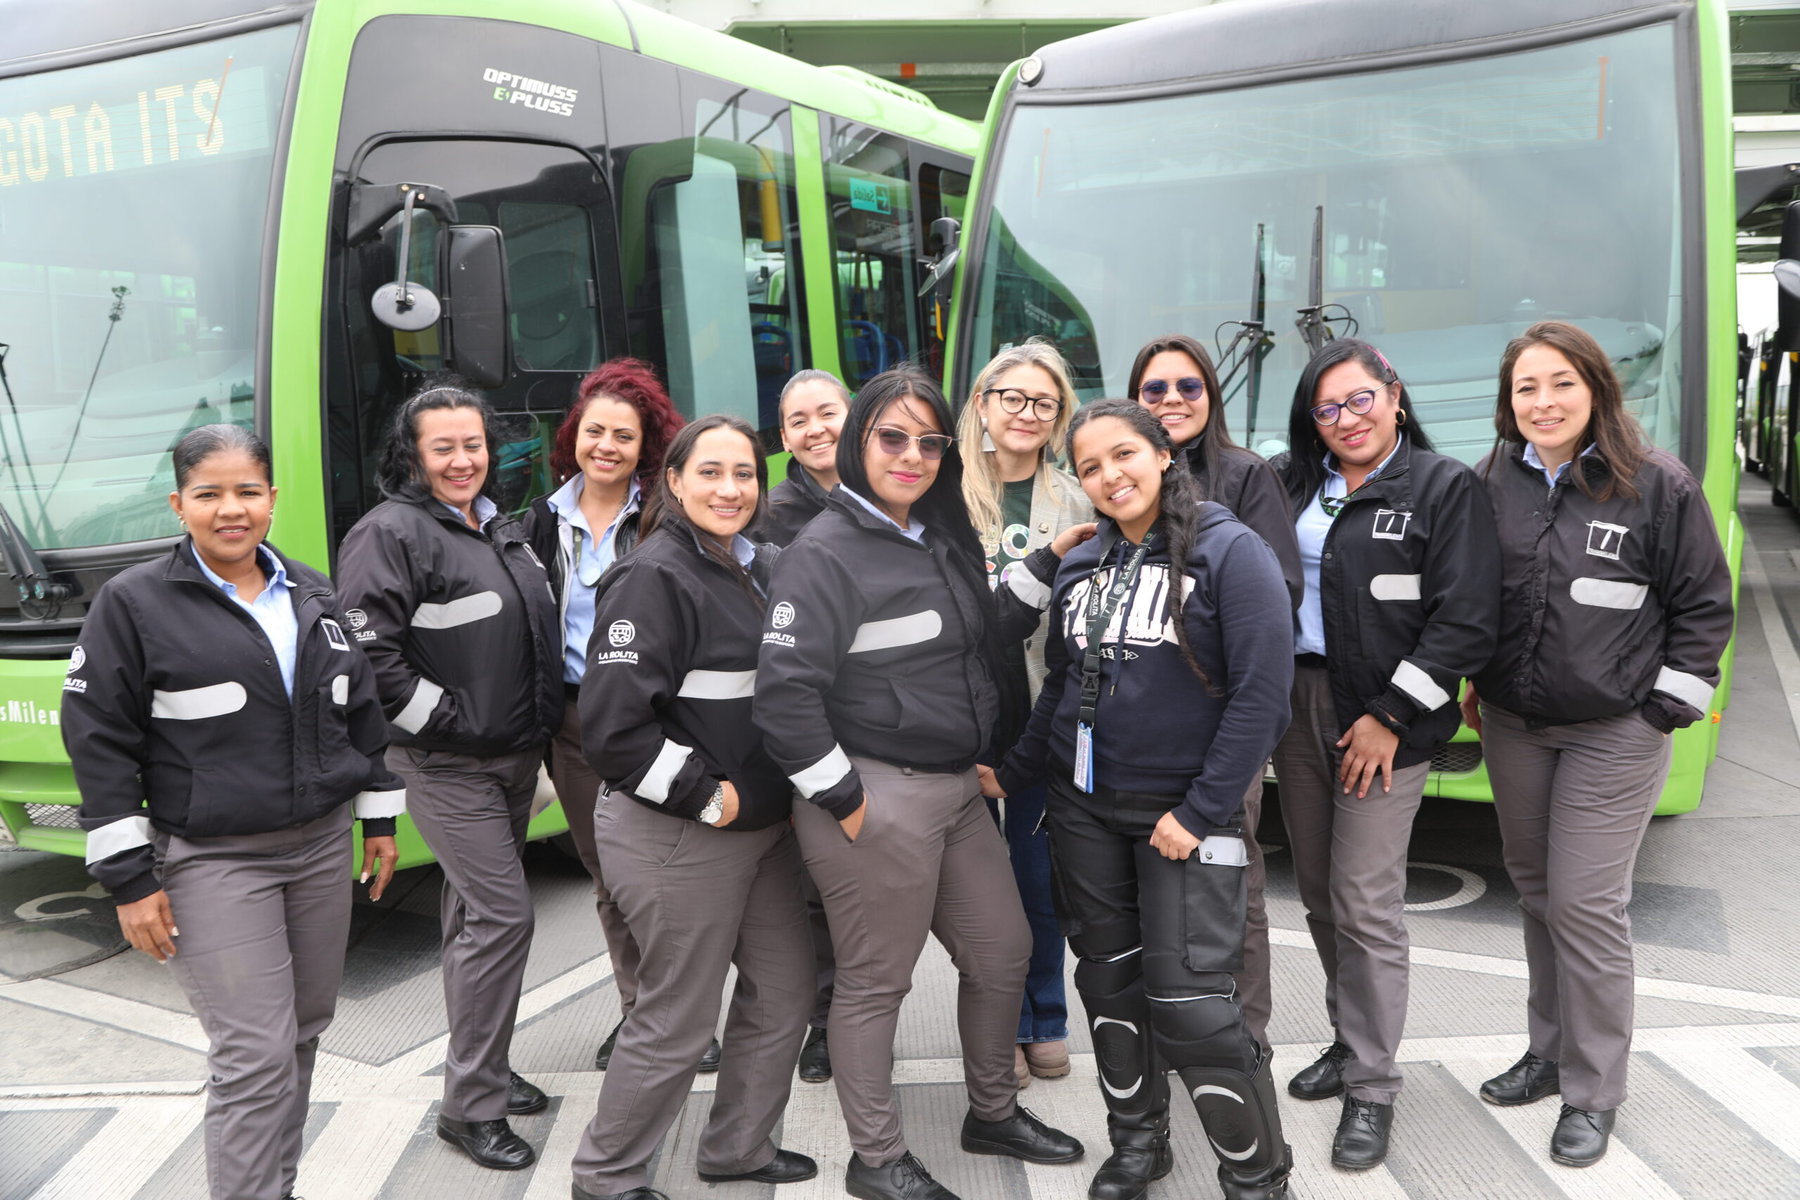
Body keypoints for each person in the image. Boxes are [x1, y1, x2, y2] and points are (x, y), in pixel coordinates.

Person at [755, 367, 1085, 1200]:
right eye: (892, 437)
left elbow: (981, 634)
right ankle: (877, 1159)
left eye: (929, 441)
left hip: (957, 793)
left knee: (1003, 950)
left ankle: (992, 1110)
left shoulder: (931, 537)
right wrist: (845, 800)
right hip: (875, 797)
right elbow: (783, 697)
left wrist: (1047, 558)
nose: (912, 455)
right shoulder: (822, 554)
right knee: (876, 983)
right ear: (860, 438)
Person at [62, 424, 403, 1200]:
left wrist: (379, 821)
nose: (231, 510)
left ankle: (271, 1186)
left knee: (303, 1034)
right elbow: (98, 741)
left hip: (319, 849)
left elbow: (361, 716)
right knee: (254, 1051)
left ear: (272, 500)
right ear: (179, 504)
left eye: (247, 491)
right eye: (210, 494)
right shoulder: (134, 605)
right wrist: (126, 878)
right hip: (213, 859)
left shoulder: (313, 594)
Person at [983, 399, 1296, 1200]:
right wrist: (1014, 770)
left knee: (1193, 1005)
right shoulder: (1086, 561)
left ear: (1164, 454)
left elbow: (1264, 698)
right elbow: (1062, 686)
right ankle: (1138, 1144)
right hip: (1083, 810)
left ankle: (1258, 1178)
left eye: (1123, 455)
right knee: (1110, 985)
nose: (1109, 476)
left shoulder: (1232, 552)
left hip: (1182, 816)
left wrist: (1198, 813)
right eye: (1089, 466)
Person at [1463, 321, 1732, 1167]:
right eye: (1525, 389)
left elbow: (1703, 611)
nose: (1543, 402)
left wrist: (1659, 714)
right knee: (1537, 891)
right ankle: (1547, 1052)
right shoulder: (1492, 478)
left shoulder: (1657, 485)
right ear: (1509, 404)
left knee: (1585, 903)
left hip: (1614, 732)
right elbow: (1475, 592)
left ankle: (1594, 1089)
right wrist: (1475, 683)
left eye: (1560, 384)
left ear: (1596, 389)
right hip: (1513, 724)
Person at [570, 415, 817, 1200]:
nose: (730, 489)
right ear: (673, 482)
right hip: (681, 832)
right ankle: (605, 1177)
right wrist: (706, 795)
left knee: (783, 991)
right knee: (677, 1018)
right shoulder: (655, 576)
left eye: (744, 474)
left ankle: (737, 1149)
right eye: (709, 472)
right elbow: (610, 730)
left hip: (762, 832)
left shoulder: (754, 566)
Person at [1271, 339, 1500, 1170]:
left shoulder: (1442, 488)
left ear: (1395, 396)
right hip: (1298, 708)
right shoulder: (1296, 483)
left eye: (1360, 400)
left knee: (1367, 900)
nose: (1346, 420)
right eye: (1327, 409)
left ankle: (1372, 1086)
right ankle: (1347, 1037)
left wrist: (1391, 716)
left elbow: (1466, 619)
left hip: (1384, 722)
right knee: (1324, 896)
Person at [337, 382, 564, 1172]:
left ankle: (487, 1066)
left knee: (473, 920)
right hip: (446, 765)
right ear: (412, 456)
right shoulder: (389, 534)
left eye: (473, 445)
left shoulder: (495, 525)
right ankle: (469, 1109)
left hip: (509, 757)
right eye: (443, 448)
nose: (463, 459)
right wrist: (452, 722)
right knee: (503, 919)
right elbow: (371, 657)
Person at [520, 359, 712, 1074]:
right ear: (574, 435)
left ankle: (686, 1013)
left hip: (665, 721)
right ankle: (642, 1013)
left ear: (645, 446)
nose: (605, 445)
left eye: (623, 436)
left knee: (674, 872)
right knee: (611, 879)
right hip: (576, 726)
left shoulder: (666, 513)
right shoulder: (539, 521)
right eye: (594, 430)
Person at [1128, 332, 1302, 1049]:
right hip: (1140, 732)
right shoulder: (1123, 471)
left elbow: (1280, 591)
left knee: (1233, 885)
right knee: (1154, 894)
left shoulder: (1244, 474)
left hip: (1221, 722)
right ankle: (1173, 1028)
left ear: (1211, 396)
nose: (1172, 401)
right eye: (1155, 390)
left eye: (1188, 387)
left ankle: (1244, 1034)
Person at [957, 340, 1094, 1088]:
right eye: (1012, 397)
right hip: (962, 725)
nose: (1027, 413)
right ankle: (995, 1027)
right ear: (983, 403)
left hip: (1045, 720)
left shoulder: (1075, 498)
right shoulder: (943, 493)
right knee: (979, 897)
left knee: (1037, 881)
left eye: (1044, 403)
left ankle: (1045, 1015)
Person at [754, 367, 853, 1085]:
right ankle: (825, 1024)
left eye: (828, 413)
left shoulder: (891, 488)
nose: (816, 430)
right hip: (807, 717)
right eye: (799, 420)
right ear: (783, 437)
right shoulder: (768, 512)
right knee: (816, 888)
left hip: (881, 718)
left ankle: (860, 1014)